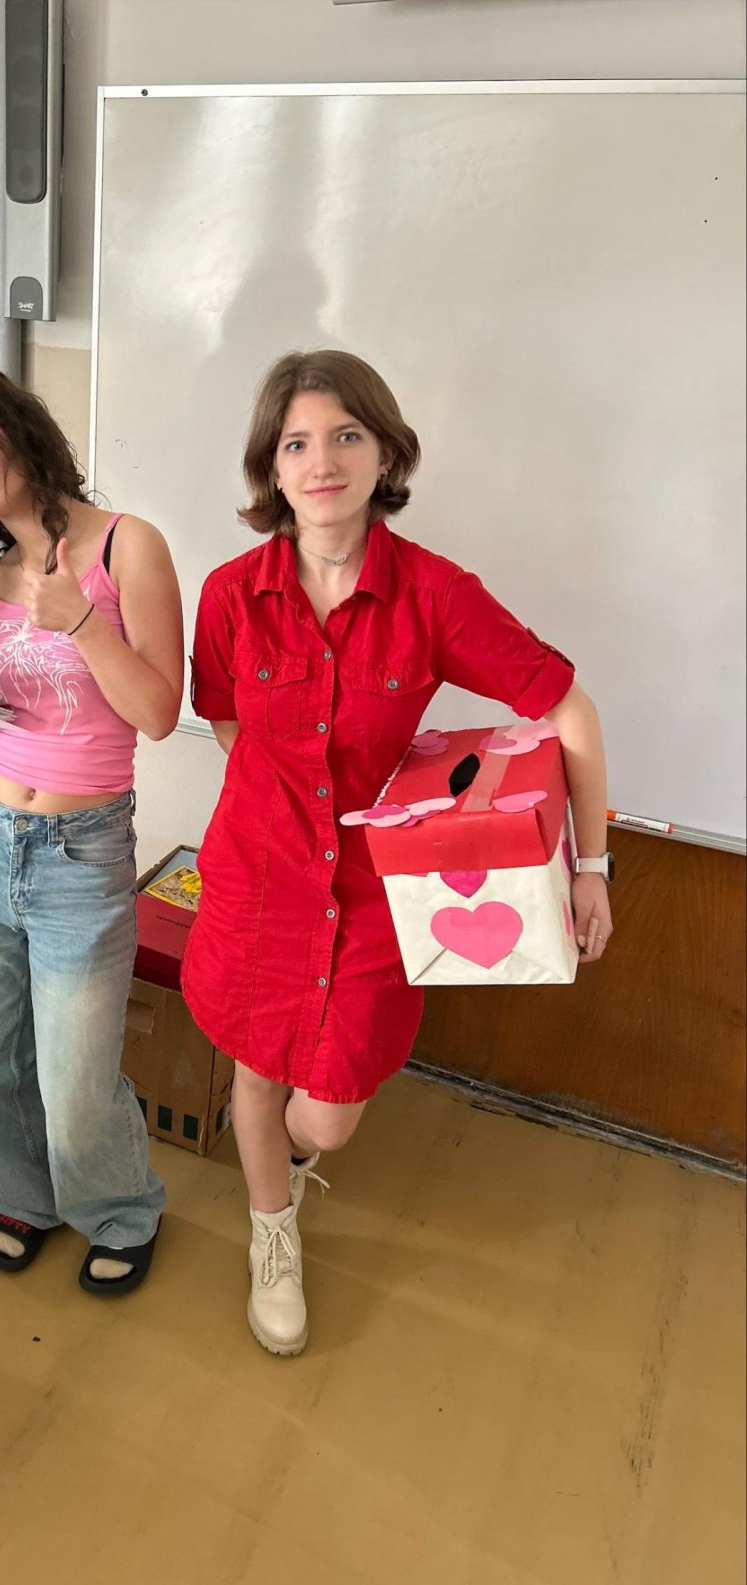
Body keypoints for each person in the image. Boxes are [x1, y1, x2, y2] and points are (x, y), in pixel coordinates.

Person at [181, 350, 613, 1356]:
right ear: (272, 467)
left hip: (376, 895)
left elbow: (567, 705)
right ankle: (272, 1230)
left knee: (327, 1113)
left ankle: (290, 1167)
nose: (322, 461)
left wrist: (590, 868)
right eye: (297, 443)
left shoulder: (434, 594)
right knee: (255, 1070)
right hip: (257, 878)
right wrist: (281, 806)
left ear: (385, 454)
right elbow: (225, 719)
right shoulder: (230, 593)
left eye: (346, 436)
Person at [0, 361, 183, 1295]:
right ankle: (29, 1194)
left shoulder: (127, 545)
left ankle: (120, 1209)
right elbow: (14, 713)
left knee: (75, 1081)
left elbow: (158, 713)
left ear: (14, 426)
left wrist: (86, 622)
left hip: (79, 852)